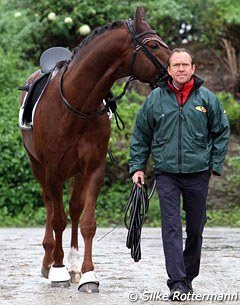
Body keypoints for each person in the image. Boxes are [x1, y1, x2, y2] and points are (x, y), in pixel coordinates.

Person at [128, 48, 230, 301]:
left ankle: (188, 277)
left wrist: (213, 164)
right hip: (167, 174)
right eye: (176, 65)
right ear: (169, 70)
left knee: (196, 228)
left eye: (186, 64)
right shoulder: (155, 99)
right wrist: (138, 167)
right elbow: (141, 135)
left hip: (198, 173)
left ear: (193, 68)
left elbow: (221, 132)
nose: (181, 69)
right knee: (171, 227)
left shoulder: (207, 99)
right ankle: (176, 283)